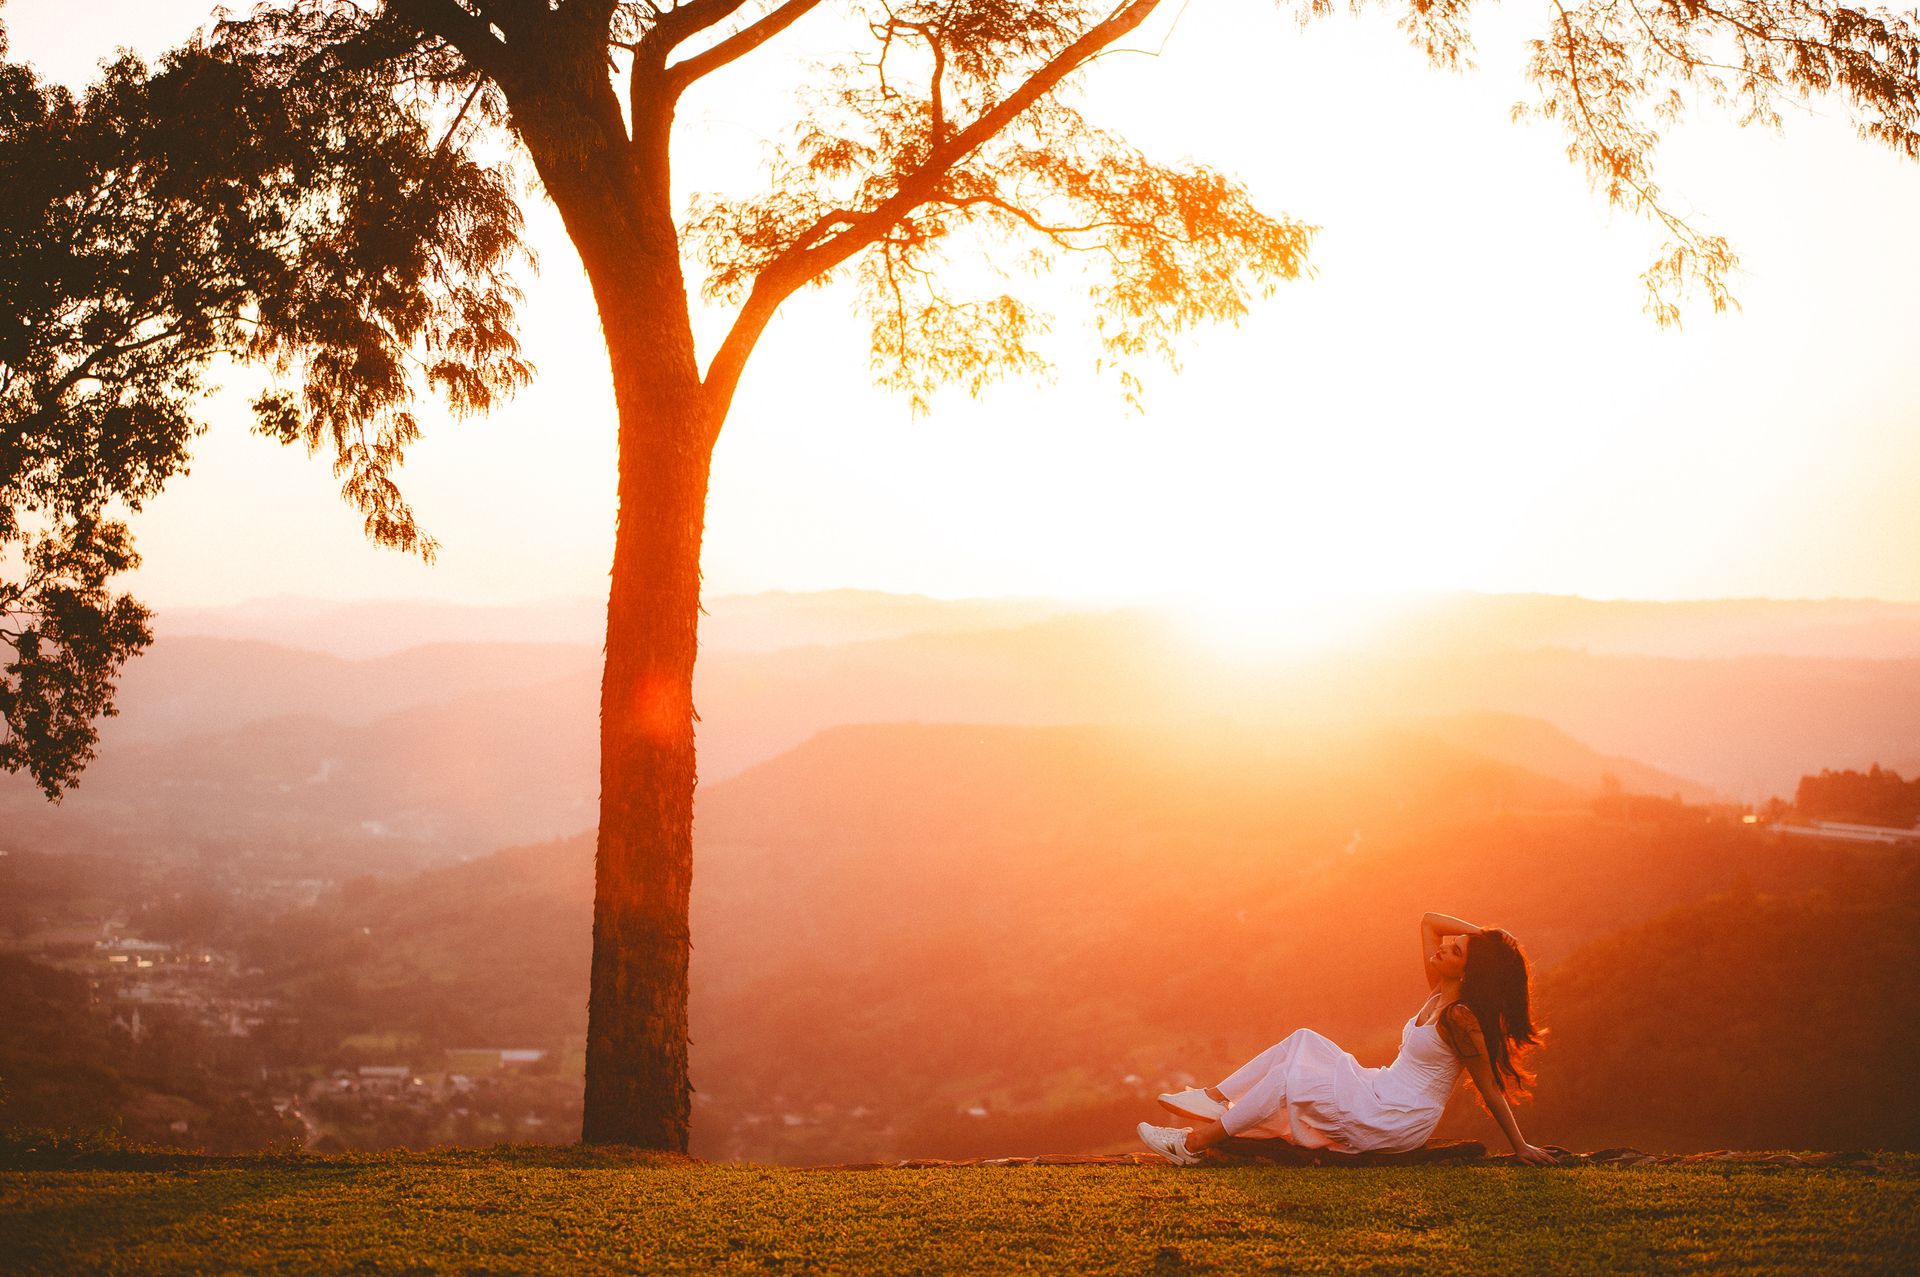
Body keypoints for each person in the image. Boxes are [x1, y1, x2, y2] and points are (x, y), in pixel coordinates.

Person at [1137, 912, 1557, 1166]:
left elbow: (1488, 1087)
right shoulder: (1438, 992)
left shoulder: (1460, 1018)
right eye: (1452, 945)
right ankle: (1214, 1098)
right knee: (1303, 1039)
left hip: (1399, 1115)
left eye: (1457, 951)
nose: (1444, 947)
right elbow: (1429, 920)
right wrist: (1484, 940)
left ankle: (1190, 1145)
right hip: (1380, 1088)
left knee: (1288, 1081)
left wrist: (1520, 1146)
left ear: (1467, 972)